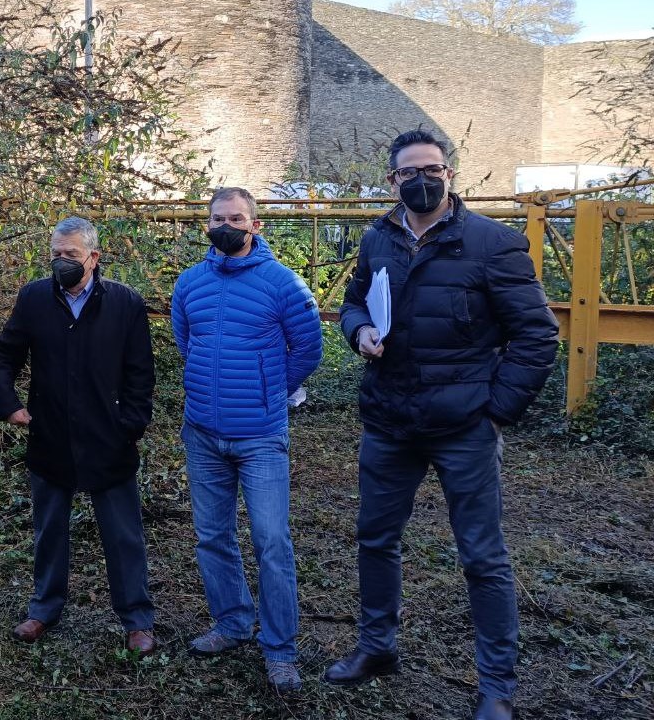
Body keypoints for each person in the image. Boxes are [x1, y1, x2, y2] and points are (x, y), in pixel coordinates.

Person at [325, 130, 559, 720]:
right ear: (393, 181)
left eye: (433, 169)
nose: (422, 179)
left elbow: (536, 335)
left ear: (450, 174)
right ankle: (378, 647)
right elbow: (354, 302)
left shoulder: (493, 244)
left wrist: (495, 411)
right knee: (376, 539)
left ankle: (497, 687)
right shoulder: (378, 239)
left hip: (463, 429)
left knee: (482, 556)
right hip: (389, 420)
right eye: (409, 173)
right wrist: (359, 332)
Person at [171, 186, 323, 693]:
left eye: (237, 217)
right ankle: (233, 622)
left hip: (260, 436)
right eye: (218, 218)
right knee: (212, 536)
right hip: (203, 433)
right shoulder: (189, 283)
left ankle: (280, 649)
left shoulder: (284, 284)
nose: (226, 225)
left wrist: (268, 392)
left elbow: (308, 348)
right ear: (207, 224)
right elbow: (185, 342)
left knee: (271, 542)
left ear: (256, 225)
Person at [0, 217, 159, 657]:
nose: (62, 262)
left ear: (94, 257)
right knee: (49, 530)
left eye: (72, 255)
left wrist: (131, 425)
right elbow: (4, 355)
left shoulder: (124, 303)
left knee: (123, 535)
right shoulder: (34, 298)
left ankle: (137, 620)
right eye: (56, 254)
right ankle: (44, 609)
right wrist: (8, 403)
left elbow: (141, 373)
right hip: (51, 435)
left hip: (110, 439)